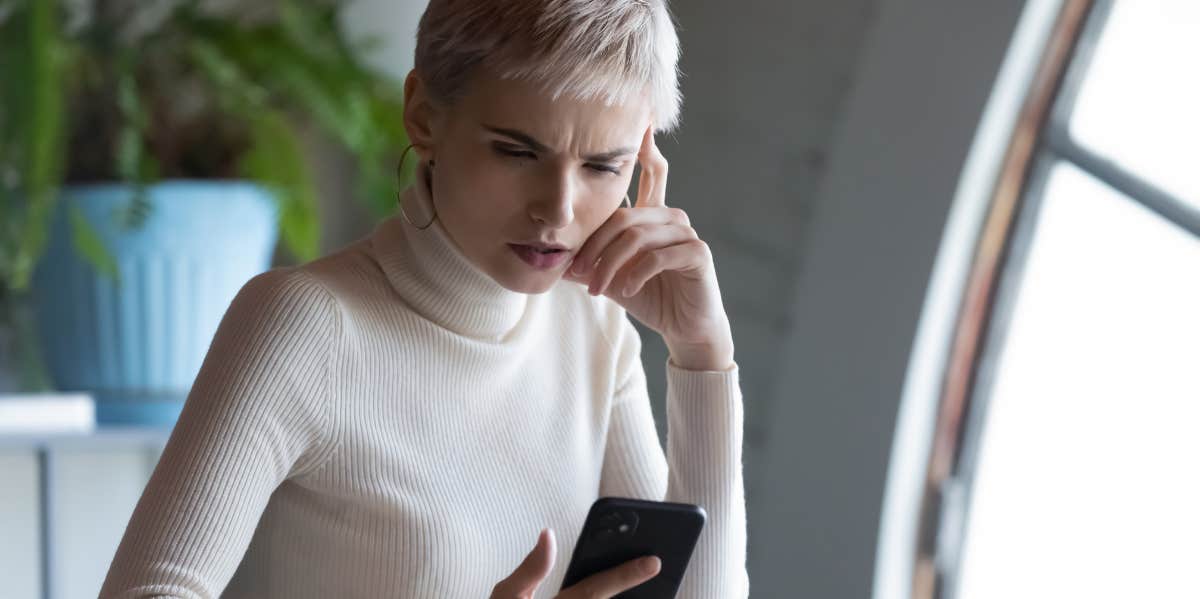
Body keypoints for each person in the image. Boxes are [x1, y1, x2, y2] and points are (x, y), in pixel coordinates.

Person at [99, 0, 748, 597]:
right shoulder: (305, 323)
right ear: (423, 116)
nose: (558, 208)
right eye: (517, 151)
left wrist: (702, 354)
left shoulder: (594, 326)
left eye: (603, 166)